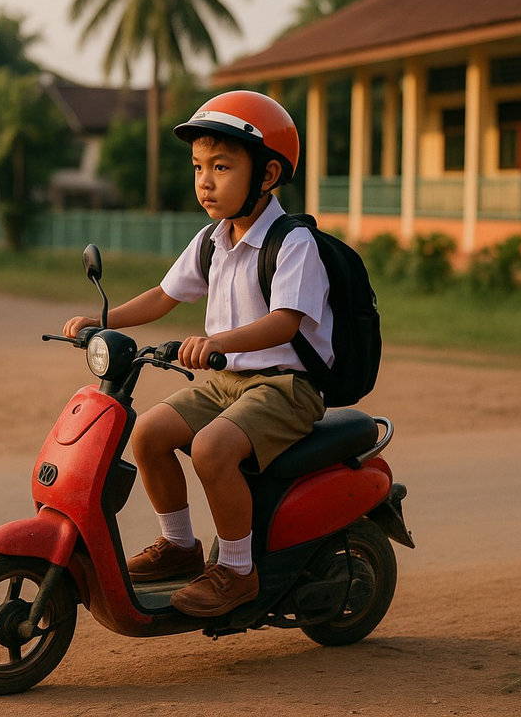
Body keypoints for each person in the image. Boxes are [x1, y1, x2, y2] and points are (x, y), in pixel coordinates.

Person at [63, 90, 332, 617]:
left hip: (285, 386)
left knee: (210, 450)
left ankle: (237, 570)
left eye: (222, 166)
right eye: (198, 167)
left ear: (268, 175)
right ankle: (180, 548)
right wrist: (102, 319)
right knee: (146, 432)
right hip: (224, 380)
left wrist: (216, 344)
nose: (205, 181)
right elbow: (166, 296)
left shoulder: (293, 242)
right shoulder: (213, 239)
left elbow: (285, 321)